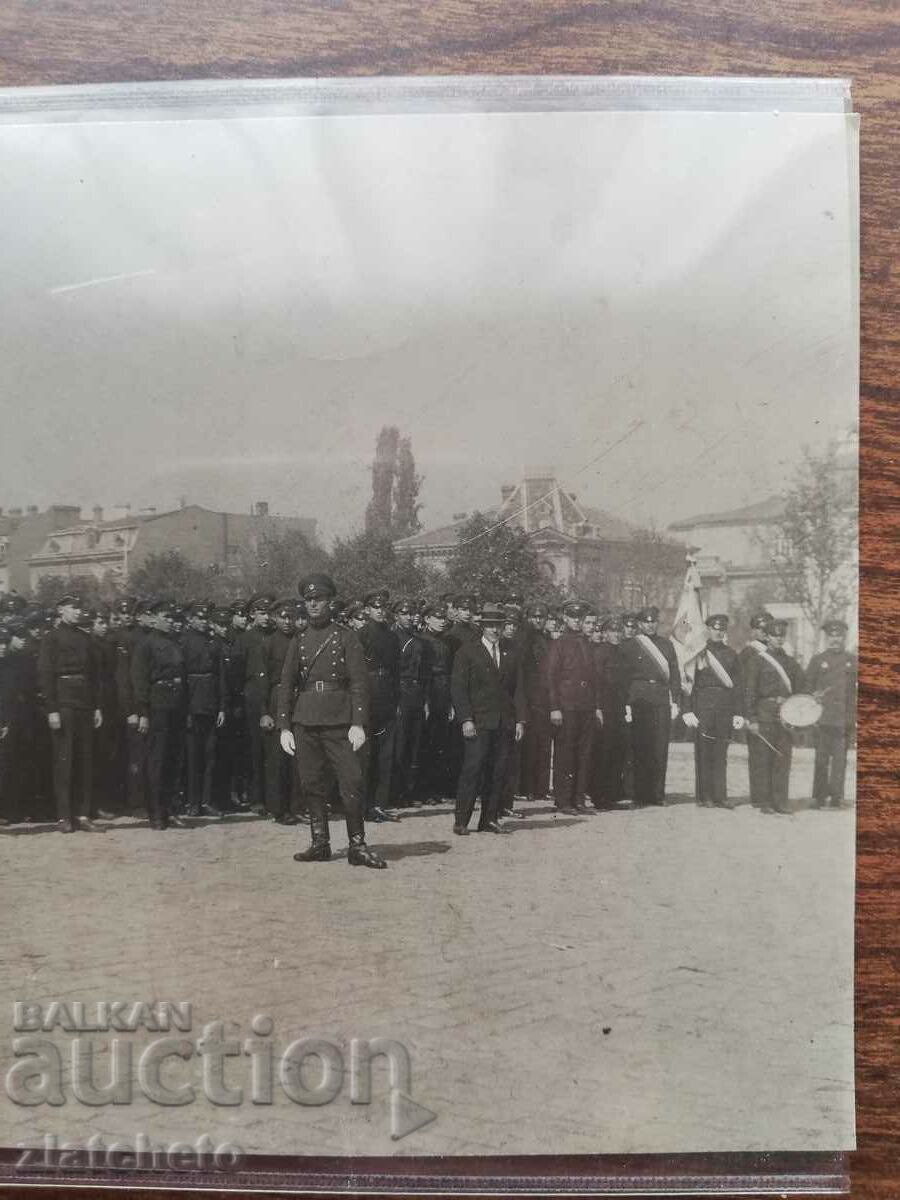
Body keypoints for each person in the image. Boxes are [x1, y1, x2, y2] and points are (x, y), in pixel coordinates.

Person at [277, 573, 386, 869]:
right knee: (311, 783)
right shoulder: (298, 641)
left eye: (319, 599)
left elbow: (359, 683)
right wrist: (285, 726)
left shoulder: (345, 636)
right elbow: (286, 684)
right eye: (309, 600)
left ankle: (357, 845)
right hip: (306, 720)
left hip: (340, 721)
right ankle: (320, 843)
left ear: (329, 602)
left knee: (352, 781)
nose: (313, 604)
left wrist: (358, 722)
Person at [450, 602, 526, 835]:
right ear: (482, 627)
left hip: (504, 722)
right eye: (490, 626)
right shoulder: (467, 652)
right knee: (473, 770)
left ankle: (489, 819)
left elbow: (519, 689)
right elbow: (458, 688)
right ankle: (461, 820)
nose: (495, 630)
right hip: (479, 722)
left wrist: (521, 720)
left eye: (498, 626)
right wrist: (466, 719)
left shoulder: (510, 652)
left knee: (498, 771)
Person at [37, 595, 103, 831]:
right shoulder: (51, 639)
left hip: (84, 703)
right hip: (63, 703)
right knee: (64, 760)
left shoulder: (87, 639)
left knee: (85, 760)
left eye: (79, 608)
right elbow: (45, 676)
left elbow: (95, 677)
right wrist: (52, 710)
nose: (77, 612)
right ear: (61, 609)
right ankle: (63, 816)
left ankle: (83, 814)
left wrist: (96, 706)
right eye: (73, 608)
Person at [131, 600, 188, 829]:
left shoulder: (175, 643)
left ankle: (171, 809)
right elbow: (139, 680)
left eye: (172, 617)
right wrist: (143, 712)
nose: (170, 621)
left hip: (176, 706)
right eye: (165, 617)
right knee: (157, 760)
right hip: (157, 706)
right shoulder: (146, 645)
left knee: (174, 760)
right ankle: (156, 813)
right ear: (153, 618)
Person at [617, 605, 681, 807]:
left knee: (660, 747)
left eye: (653, 621)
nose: (650, 625)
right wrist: (625, 703)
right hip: (638, 698)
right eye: (646, 622)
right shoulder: (630, 646)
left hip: (661, 698)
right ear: (640, 624)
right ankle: (638, 794)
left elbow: (675, 675)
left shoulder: (667, 645)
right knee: (639, 747)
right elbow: (623, 677)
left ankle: (657, 794)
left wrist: (676, 700)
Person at [544, 601, 603, 813]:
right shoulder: (558, 644)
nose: (577, 621)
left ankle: (579, 799)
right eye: (573, 617)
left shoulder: (587, 643)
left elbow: (594, 678)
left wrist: (596, 706)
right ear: (565, 619)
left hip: (586, 706)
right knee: (565, 753)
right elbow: (550, 678)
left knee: (584, 754)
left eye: (580, 617)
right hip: (567, 706)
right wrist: (554, 707)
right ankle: (563, 800)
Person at [682, 614, 746, 809]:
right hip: (703, 707)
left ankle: (720, 796)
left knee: (721, 753)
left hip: (724, 708)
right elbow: (687, 682)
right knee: (704, 752)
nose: (718, 632)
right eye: (715, 628)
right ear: (707, 629)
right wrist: (687, 709)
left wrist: (738, 712)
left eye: (722, 629)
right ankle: (705, 796)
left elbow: (738, 686)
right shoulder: (698, 652)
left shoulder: (732, 654)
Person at [743, 617, 805, 814]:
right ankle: (765, 802)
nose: (778, 639)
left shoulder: (791, 663)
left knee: (783, 759)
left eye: (781, 636)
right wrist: (752, 719)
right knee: (764, 759)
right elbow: (750, 692)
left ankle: (780, 800)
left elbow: (801, 689)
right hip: (765, 714)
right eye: (774, 635)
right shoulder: (757, 661)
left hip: (786, 716)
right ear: (767, 637)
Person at [357, 588, 401, 823]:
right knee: (366, 753)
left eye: (383, 607)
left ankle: (379, 805)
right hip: (368, 695)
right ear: (367, 610)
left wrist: (396, 699)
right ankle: (363, 806)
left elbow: (396, 670)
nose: (381, 611)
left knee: (386, 754)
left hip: (387, 695)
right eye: (376, 607)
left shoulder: (392, 636)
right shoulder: (361, 634)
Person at [806, 618, 856, 809]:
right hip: (822, 718)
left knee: (840, 760)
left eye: (839, 635)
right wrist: (813, 695)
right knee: (821, 759)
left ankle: (836, 797)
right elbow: (807, 687)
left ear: (844, 637)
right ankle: (818, 797)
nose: (835, 639)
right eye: (832, 635)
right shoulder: (817, 660)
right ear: (827, 637)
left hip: (844, 718)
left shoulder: (852, 661)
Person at [182, 602, 226, 818]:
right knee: (193, 757)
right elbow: (181, 679)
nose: (202, 621)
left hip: (211, 704)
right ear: (190, 619)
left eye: (204, 618)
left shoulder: (214, 641)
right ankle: (192, 802)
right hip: (192, 705)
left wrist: (222, 708)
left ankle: (207, 800)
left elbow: (220, 677)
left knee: (210, 756)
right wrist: (186, 710)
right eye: (197, 618)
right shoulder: (183, 641)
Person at [262, 599, 299, 824]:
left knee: (296, 757)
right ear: (275, 618)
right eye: (283, 617)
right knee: (277, 758)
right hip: (276, 699)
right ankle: (277, 808)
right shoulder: (268, 643)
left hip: (298, 699)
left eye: (291, 617)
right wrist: (264, 712)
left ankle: (296, 805)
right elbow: (261, 682)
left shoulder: (300, 640)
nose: (287, 621)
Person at [417, 600, 456, 803]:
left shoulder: (446, 641)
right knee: (427, 742)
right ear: (427, 619)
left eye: (443, 618)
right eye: (437, 618)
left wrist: (449, 701)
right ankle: (424, 790)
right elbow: (422, 674)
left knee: (441, 741)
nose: (442, 622)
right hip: (429, 690)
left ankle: (437, 788)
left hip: (443, 690)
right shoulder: (422, 641)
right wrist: (424, 701)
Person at [392, 598, 428, 807]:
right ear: (396, 615)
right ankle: (396, 794)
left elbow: (423, 672)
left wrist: (424, 700)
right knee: (400, 744)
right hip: (401, 691)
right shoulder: (393, 638)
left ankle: (408, 791)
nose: (408, 617)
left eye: (411, 613)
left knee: (414, 744)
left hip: (416, 692)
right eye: (404, 613)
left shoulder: (417, 639)